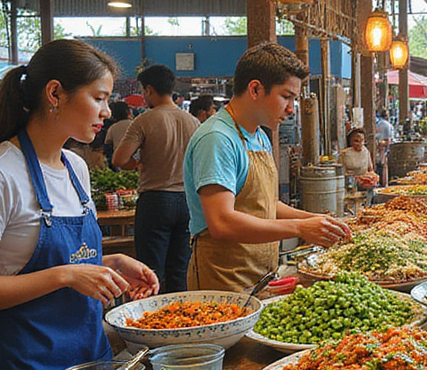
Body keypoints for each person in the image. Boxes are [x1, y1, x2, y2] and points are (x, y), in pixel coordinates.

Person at [0, 39, 159, 370]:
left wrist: (110, 262)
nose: (107, 111)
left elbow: (66, 258)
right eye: (99, 97)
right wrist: (65, 275)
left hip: (90, 365)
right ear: (55, 94)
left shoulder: (76, 167)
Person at [184, 42, 350, 293]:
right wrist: (300, 228)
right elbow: (221, 222)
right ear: (255, 89)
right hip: (223, 284)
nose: (291, 109)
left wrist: (316, 220)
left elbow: (266, 205)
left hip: (259, 278)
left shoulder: (259, 136)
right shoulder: (217, 138)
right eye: (286, 96)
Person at [113, 64, 199, 293]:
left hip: (156, 201)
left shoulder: (144, 120)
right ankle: (180, 314)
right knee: (179, 270)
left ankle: (153, 314)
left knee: (150, 272)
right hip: (187, 201)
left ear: (149, 90)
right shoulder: (193, 122)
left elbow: (119, 159)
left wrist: (137, 164)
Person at [338, 128, 380, 198]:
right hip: (350, 186)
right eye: (356, 141)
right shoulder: (344, 154)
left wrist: (373, 178)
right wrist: (356, 179)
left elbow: (370, 169)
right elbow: (342, 173)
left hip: (366, 184)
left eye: (362, 141)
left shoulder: (366, 151)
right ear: (351, 141)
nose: (360, 144)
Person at [102, 101, 133, 169]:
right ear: (127, 111)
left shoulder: (113, 128)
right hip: (135, 161)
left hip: (119, 161)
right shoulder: (135, 124)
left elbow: (107, 144)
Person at [374, 108, 396, 185]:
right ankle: (384, 183)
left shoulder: (377, 124)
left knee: (379, 166)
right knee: (384, 166)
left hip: (377, 147)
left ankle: (379, 182)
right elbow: (388, 140)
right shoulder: (388, 125)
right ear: (387, 115)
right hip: (383, 149)